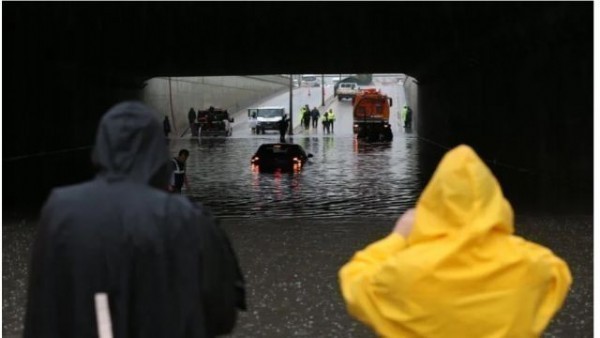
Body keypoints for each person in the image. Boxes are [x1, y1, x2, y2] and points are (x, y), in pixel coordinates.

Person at [24, 101, 246, 338]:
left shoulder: (59, 211)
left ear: (100, 147)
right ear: (159, 150)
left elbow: (41, 309)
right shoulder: (190, 218)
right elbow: (222, 313)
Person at [339, 144, 572, 338]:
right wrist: (501, 236)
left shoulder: (404, 271)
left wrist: (398, 237)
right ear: (495, 202)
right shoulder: (534, 263)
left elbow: (354, 278)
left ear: (432, 202)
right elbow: (559, 275)